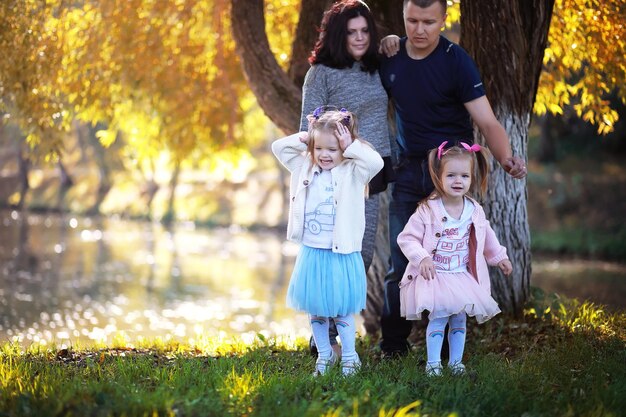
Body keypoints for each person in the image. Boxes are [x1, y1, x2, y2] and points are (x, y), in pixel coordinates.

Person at [377, 0, 527, 357]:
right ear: (403, 17)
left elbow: (488, 121)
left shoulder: (455, 60)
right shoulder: (391, 56)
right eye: (412, 20)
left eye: (429, 22)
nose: (419, 29)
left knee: (453, 261)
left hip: (449, 175)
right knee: (402, 261)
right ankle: (393, 346)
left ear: (444, 19)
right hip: (408, 172)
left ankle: (447, 352)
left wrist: (506, 158)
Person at [300, 0, 392, 355]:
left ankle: (333, 329)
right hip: (337, 179)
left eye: (365, 31)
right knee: (333, 253)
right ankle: (325, 338)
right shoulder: (320, 74)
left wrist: (394, 39)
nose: (359, 38)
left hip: (372, 171)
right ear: (338, 35)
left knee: (361, 255)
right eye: (351, 32)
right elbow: (307, 131)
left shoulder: (376, 66)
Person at [272, 108, 383, 376]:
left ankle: (349, 356)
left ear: (343, 149)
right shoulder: (305, 166)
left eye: (332, 149)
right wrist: (305, 137)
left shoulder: (353, 171)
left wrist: (351, 145)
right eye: (319, 148)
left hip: (341, 253)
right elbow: (279, 148)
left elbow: (376, 163)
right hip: (313, 251)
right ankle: (324, 355)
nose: (324, 154)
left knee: (341, 311)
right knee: (317, 310)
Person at [398, 142, 513, 375]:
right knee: (439, 319)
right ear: (439, 177)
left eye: (464, 176)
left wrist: (499, 256)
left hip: (461, 275)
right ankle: (433, 364)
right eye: (451, 175)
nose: (457, 181)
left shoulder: (473, 210)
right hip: (436, 277)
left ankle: (456, 362)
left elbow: (486, 235)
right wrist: (422, 258)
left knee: (459, 320)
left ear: (472, 178)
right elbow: (407, 238)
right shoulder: (427, 210)